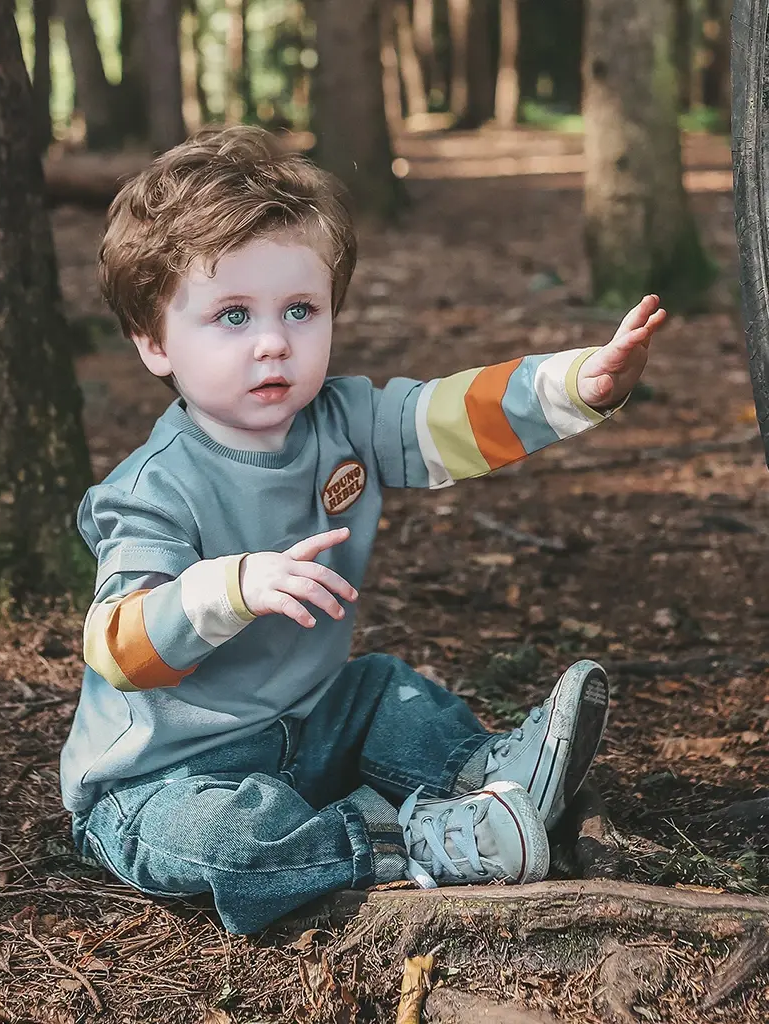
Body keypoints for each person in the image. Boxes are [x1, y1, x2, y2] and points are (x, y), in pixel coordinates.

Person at [59, 126, 667, 934]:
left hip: (310, 729)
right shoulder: (152, 489)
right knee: (227, 843)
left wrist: (574, 384)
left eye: (299, 310)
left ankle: (489, 775)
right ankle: (409, 844)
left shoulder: (344, 420)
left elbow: (449, 417)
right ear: (153, 342)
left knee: (383, 688)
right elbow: (115, 647)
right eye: (232, 315)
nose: (274, 341)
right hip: (161, 780)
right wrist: (229, 588)